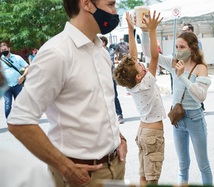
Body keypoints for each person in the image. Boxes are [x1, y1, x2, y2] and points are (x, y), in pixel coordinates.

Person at [7, 0, 128, 187]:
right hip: (81, 176)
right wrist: (64, 167)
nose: (115, 11)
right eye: (111, 4)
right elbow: (19, 120)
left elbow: (101, 106)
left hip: (115, 166)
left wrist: (119, 138)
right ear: (87, 4)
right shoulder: (56, 53)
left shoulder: (101, 52)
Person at [141, 22, 213, 185]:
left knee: (203, 165)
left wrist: (181, 77)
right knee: (182, 165)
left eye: (182, 47)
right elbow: (149, 54)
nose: (177, 50)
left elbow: (201, 96)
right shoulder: (174, 63)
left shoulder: (200, 68)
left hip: (195, 118)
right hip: (177, 118)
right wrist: (146, 32)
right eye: (177, 47)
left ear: (192, 48)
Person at [114, 11, 165, 186]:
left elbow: (132, 57)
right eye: (140, 66)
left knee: (144, 175)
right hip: (153, 134)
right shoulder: (146, 83)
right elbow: (154, 57)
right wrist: (151, 30)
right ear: (138, 75)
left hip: (143, 132)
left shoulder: (132, 84)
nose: (142, 64)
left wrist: (131, 29)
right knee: (153, 179)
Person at [0, 42, 29, 118]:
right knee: (7, 105)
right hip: (6, 87)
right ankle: (9, 122)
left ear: (9, 49)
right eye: (2, 50)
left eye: (5, 49)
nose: (4, 51)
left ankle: (20, 121)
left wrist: (23, 76)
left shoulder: (17, 58)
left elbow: (27, 67)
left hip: (17, 85)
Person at [100, 36, 125, 124]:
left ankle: (119, 114)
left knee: (114, 96)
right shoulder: (97, 52)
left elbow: (107, 63)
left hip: (110, 77)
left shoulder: (109, 52)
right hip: (101, 78)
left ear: (104, 43)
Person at [182, 23, 205, 111]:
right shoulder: (184, 41)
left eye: (185, 30)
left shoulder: (196, 41)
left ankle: (200, 104)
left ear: (191, 30)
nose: (183, 32)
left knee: (196, 85)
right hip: (187, 67)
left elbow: (199, 54)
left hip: (195, 67)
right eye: (183, 31)